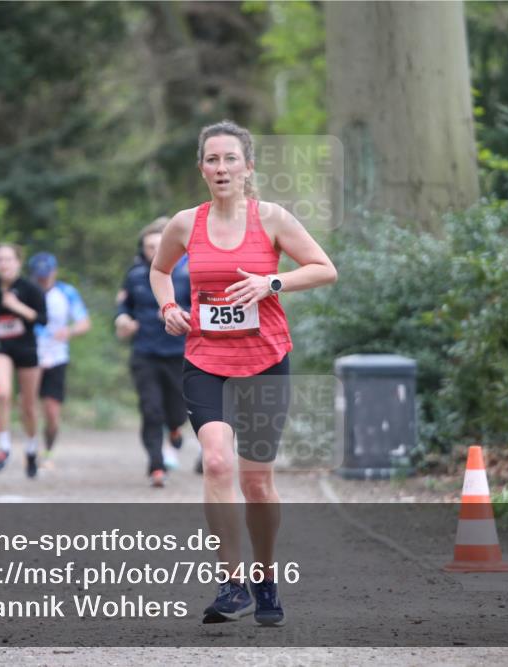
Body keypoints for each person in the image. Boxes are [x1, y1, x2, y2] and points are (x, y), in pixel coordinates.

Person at [149, 120, 337, 625]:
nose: (221, 167)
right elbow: (160, 270)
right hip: (205, 360)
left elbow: (324, 267)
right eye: (212, 159)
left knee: (256, 483)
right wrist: (168, 307)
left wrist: (271, 282)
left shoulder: (272, 218)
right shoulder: (185, 224)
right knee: (215, 463)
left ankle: (265, 578)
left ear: (248, 167)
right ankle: (231, 584)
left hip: (265, 362)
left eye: (231, 158)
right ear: (201, 169)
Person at [115, 218, 193, 488]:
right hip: (145, 352)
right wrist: (123, 319)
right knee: (150, 410)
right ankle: (156, 467)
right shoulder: (135, 275)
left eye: (159, 246)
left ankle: (174, 428)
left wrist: (178, 315)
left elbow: (202, 308)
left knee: (177, 411)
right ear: (143, 249)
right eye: (149, 247)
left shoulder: (187, 273)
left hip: (179, 352)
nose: (154, 251)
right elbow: (124, 307)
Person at [0, 243, 49, 478]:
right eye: (0, 259)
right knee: (2, 392)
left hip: (27, 349)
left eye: (9, 259)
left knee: (28, 407)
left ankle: (31, 450)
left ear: (18, 262)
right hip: (2, 347)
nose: (4, 264)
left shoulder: (31, 289)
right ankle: (4, 446)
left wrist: (16, 306)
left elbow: (42, 319)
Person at [28, 252, 91, 469]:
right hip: (30, 355)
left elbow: (84, 323)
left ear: (54, 272)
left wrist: (69, 331)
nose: (43, 279)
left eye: (46, 275)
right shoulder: (26, 292)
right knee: (29, 406)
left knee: (52, 412)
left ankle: (48, 450)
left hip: (57, 357)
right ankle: (31, 449)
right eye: (39, 276)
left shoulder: (66, 293)